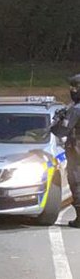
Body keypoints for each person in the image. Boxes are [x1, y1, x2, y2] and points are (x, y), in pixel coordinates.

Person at [51, 74, 80, 228]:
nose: (72, 91)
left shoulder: (75, 110)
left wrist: (57, 120)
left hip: (76, 151)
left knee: (76, 182)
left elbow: (61, 131)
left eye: (75, 87)